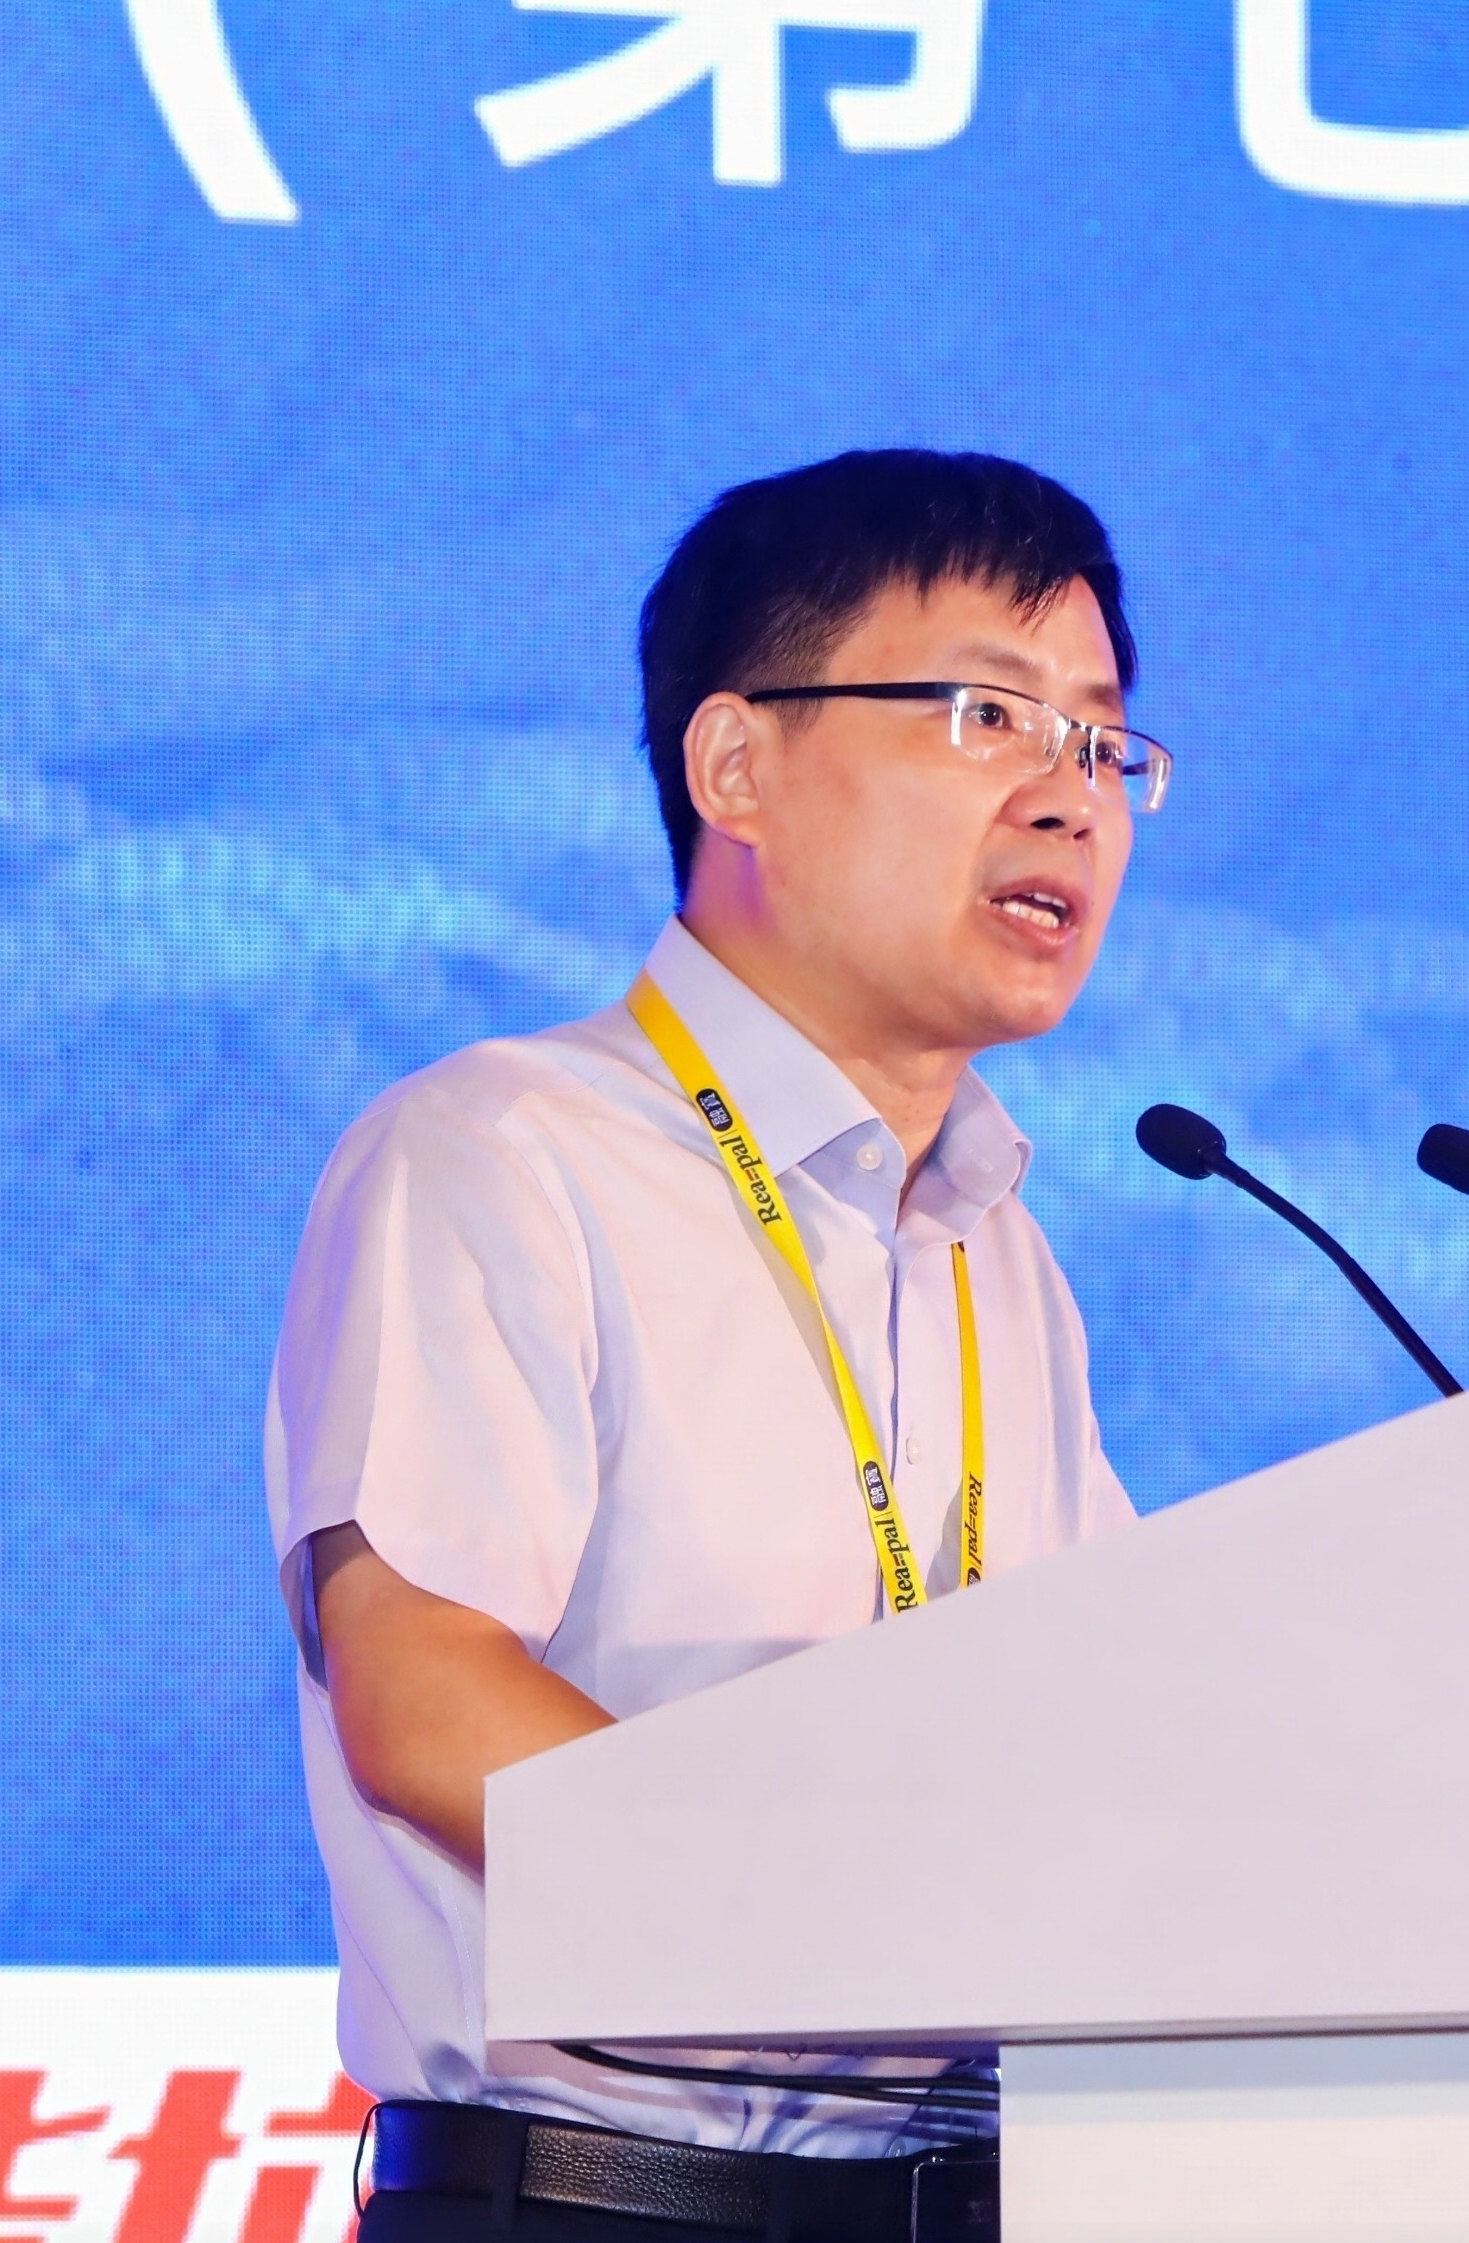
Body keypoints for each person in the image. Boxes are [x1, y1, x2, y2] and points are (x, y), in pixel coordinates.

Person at [264, 450, 1169, 2242]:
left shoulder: (1001, 1254)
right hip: (601, 2206)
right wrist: (846, 1925)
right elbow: (424, 1695)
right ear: (736, 764)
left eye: (1102, 744)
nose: (1070, 799)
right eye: (992, 715)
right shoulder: (507, 1152)